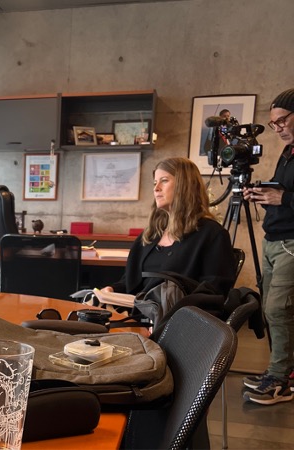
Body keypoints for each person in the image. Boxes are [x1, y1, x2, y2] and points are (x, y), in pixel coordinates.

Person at [101, 157, 236, 297]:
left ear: (185, 185)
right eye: (155, 182)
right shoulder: (150, 235)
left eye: (164, 181)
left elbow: (214, 291)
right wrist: (112, 290)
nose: (156, 188)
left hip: (178, 316)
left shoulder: (212, 234)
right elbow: (130, 283)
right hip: (136, 313)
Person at [241, 88, 294, 405]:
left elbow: (287, 197)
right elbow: (283, 194)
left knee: (277, 309)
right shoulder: (287, 153)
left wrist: (283, 198)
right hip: (273, 239)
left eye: (283, 121)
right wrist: (261, 193)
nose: (278, 129)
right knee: (273, 310)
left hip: (291, 243)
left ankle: (278, 381)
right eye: (273, 124)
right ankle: (282, 372)